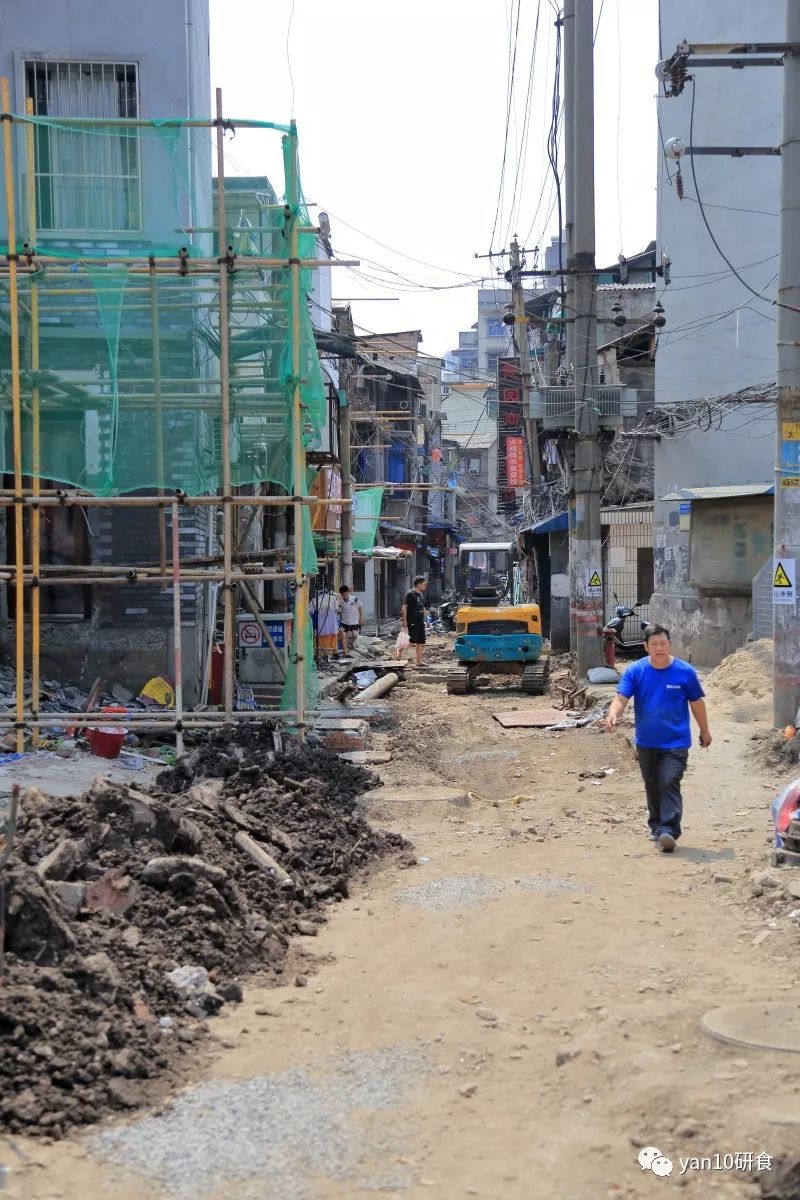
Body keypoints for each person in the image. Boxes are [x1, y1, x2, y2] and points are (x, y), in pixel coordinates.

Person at [604, 623, 712, 853]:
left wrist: (705, 730)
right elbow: (621, 698)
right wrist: (613, 714)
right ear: (646, 647)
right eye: (654, 644)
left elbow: (696, 703)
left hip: (676, 741)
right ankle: (657, 826)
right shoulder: (636, 671)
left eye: (663, 643)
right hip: (646, 742)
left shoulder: (685, 672)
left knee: (669, 781)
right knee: (652, 784)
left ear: (670, 645)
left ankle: (669, 830)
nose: (659, 648)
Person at [401, 575, 428, 666]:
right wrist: (405, 621)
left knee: (421, 641)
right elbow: (404, 607)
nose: (425, 586)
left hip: (420, 622)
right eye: (424, 584)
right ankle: (399, 650)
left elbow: (422, 607)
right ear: (419, 584)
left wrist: (427, 620)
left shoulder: (420, 594)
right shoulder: (409, 594)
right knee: (411, 641)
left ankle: (419, 662)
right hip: (412, 621)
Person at [337, 585, 364, 654]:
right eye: (343, 594)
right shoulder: (340, 601)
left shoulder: (354, 599)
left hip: (354, 621)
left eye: (346, 593)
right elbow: (338, 611)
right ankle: (345, 652)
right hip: (344, 622)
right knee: (344, 637)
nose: (345, 595)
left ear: (348, 592)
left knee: (355, 635)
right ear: (341, 594)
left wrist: (361, 618)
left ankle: (352, 643)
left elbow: (360, 607)